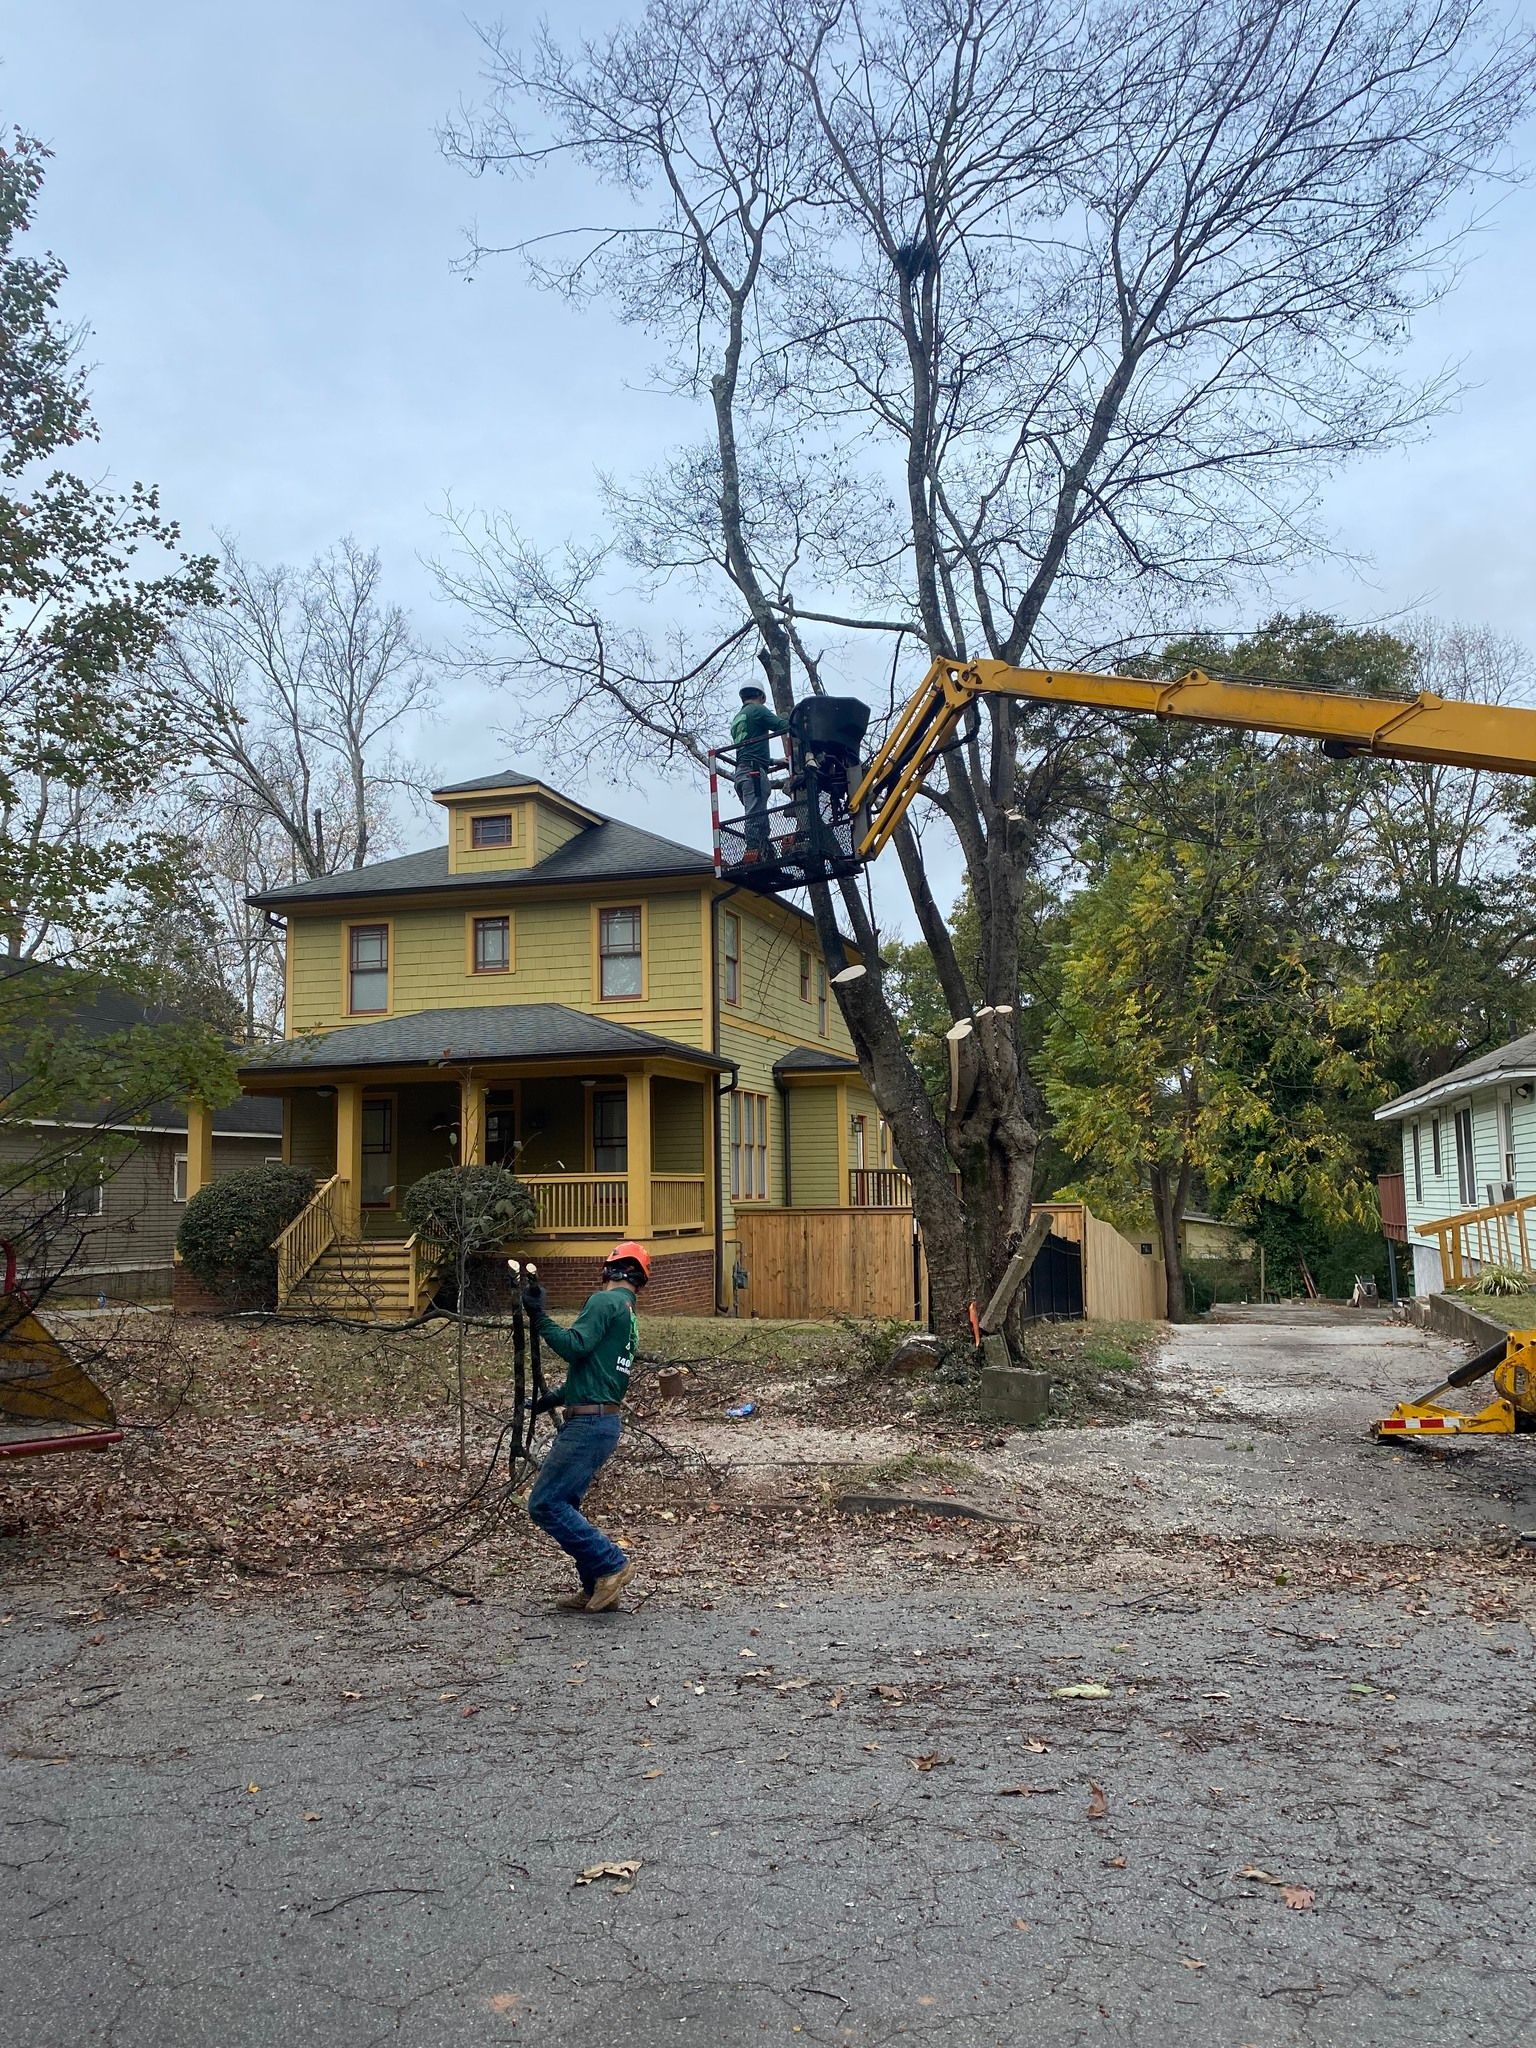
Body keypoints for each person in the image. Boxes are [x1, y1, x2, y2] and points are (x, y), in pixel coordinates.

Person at [521, 1241, 649, 1613]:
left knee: (545, 1504)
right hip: (602, 1419)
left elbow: (575, 1346)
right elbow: (600, 1373)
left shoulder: (604, 1302)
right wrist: (554, 1398)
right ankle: (596, 1585)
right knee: (567, 1503)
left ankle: (611, 1564)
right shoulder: (627, 1314)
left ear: (610, 1270)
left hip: (589, 1423)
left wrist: (539, 1317)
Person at [730, 678, 789, 860]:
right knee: (756, 816)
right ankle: (753, 853)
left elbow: (749, 750)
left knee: (759, 816)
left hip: (741, 773)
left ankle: (766, 855)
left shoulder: (738, 718)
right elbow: (783, 726)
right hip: (753, 772)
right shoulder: (758, 710)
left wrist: (774, 761)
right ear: (761, 696)